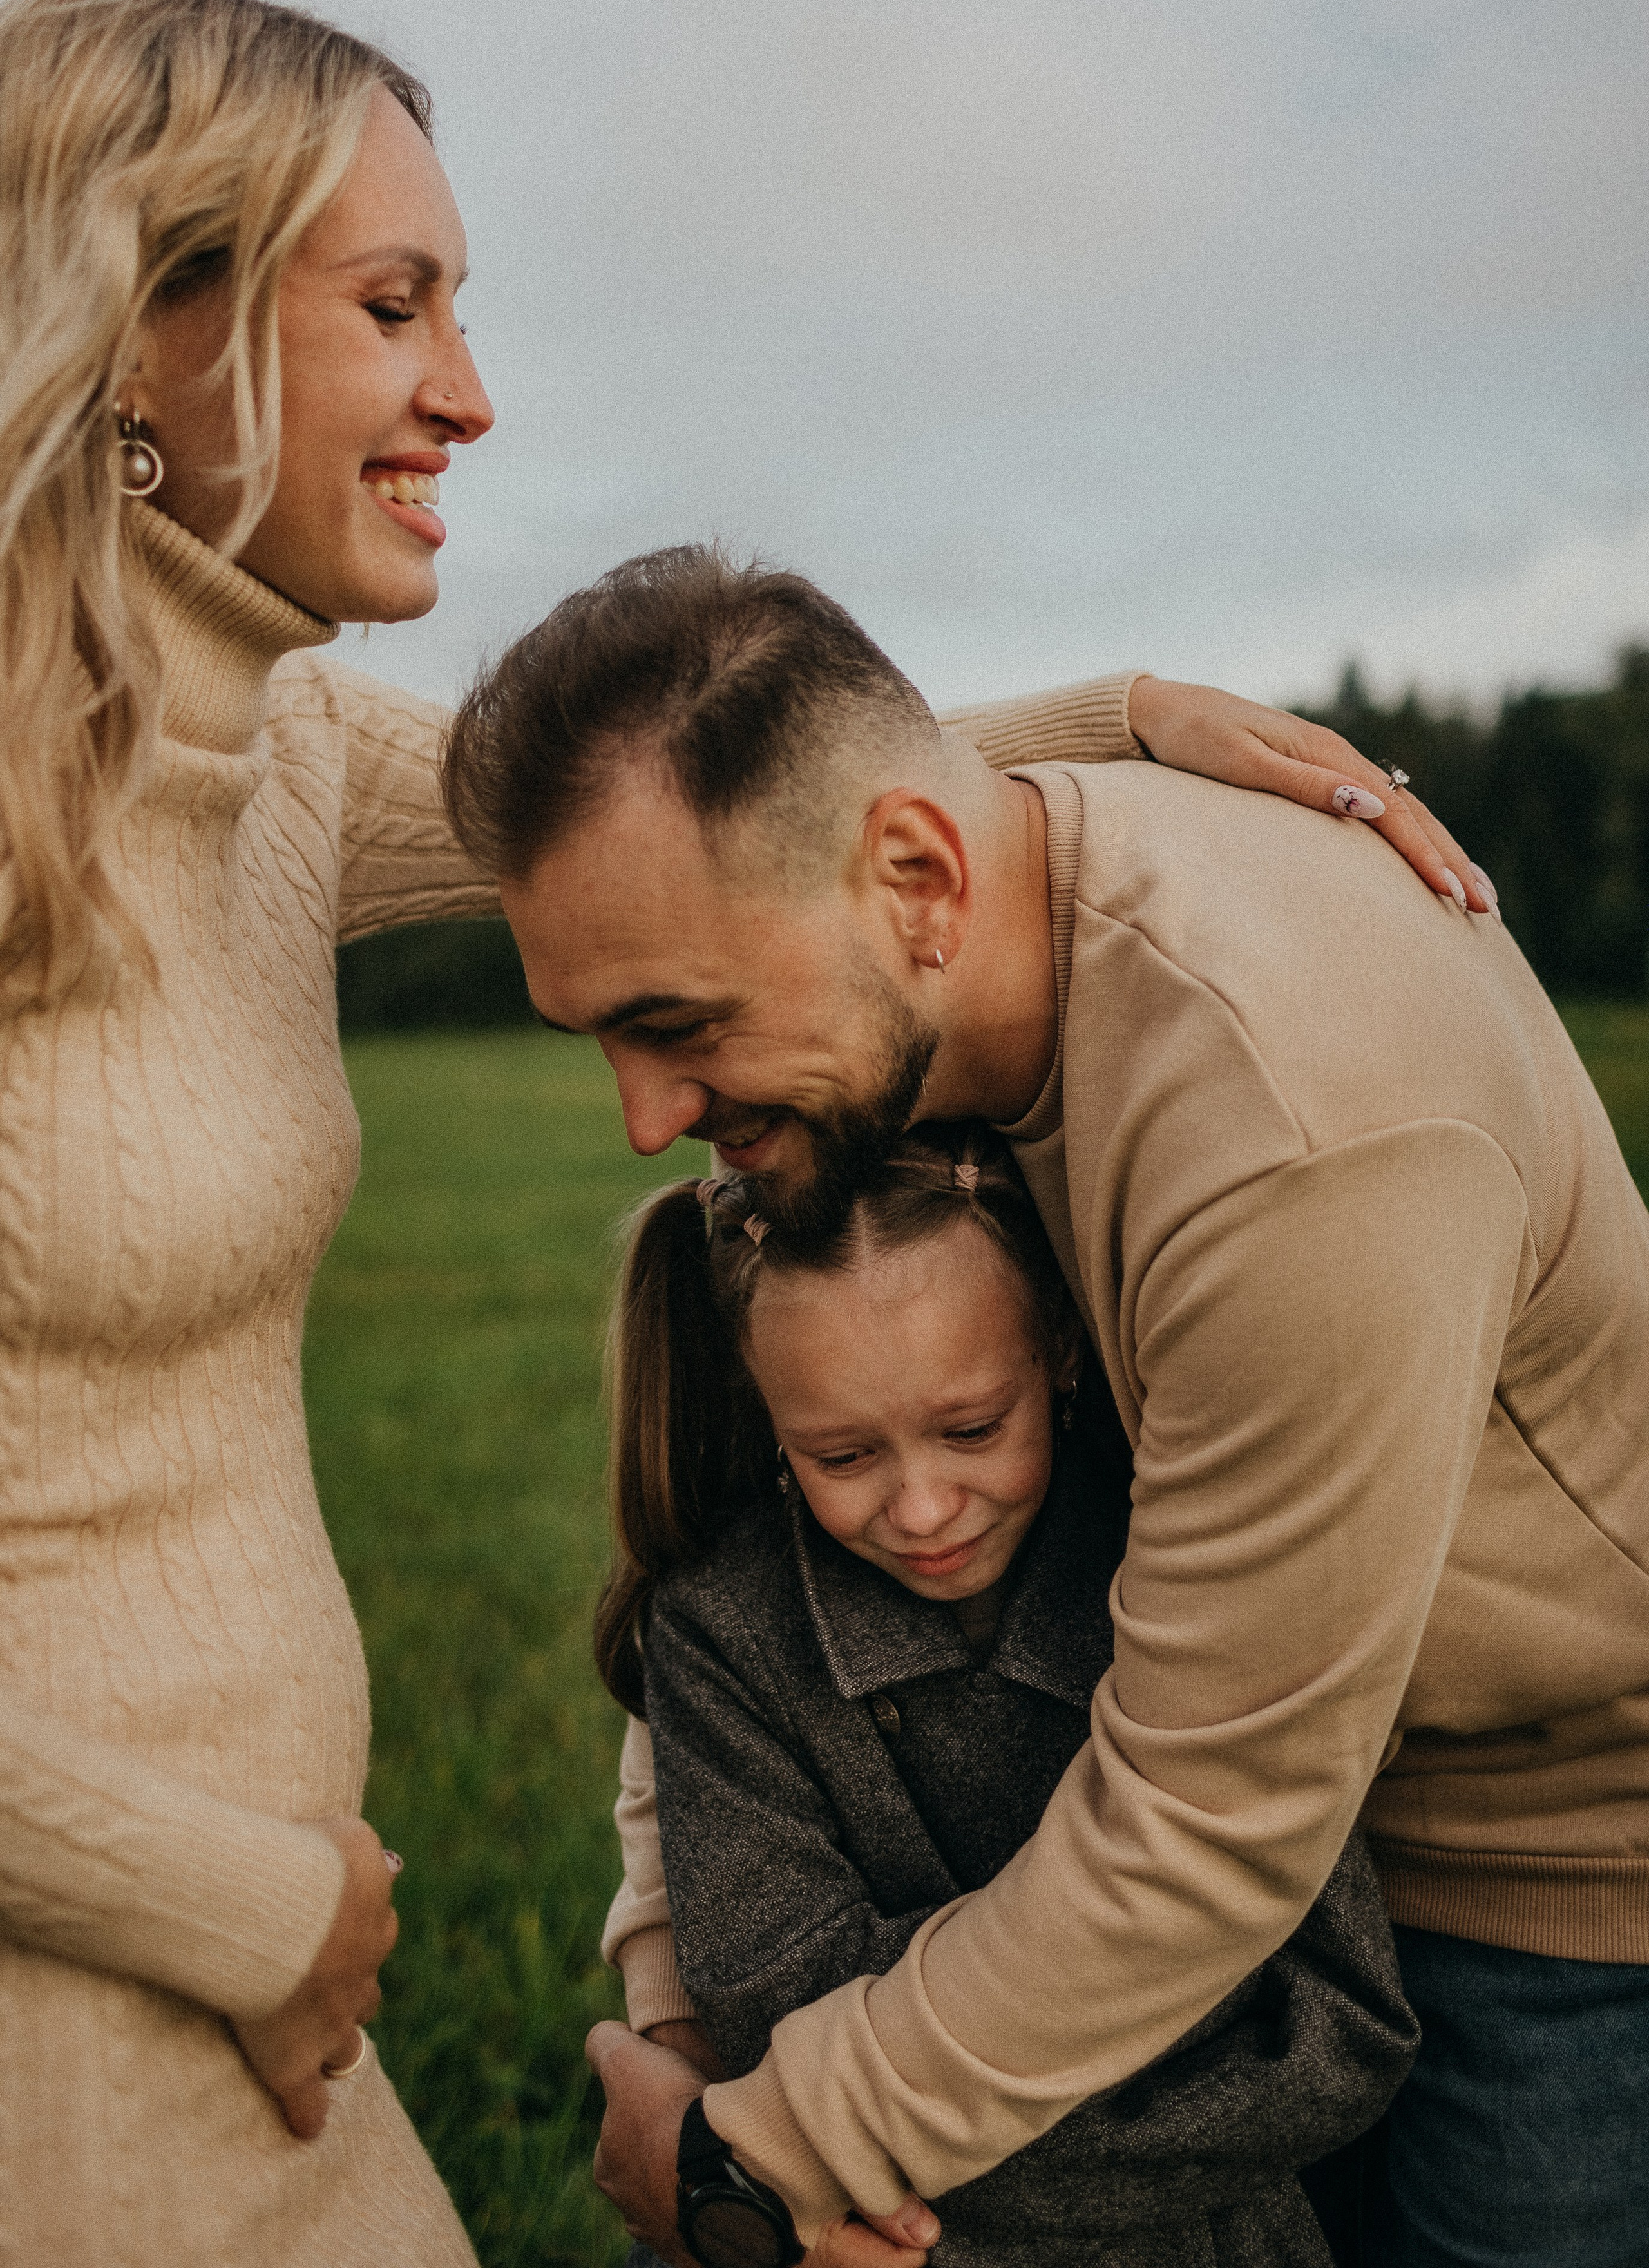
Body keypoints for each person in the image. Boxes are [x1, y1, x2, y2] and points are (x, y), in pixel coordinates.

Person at [0, 0, 1447, 2265]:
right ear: (133, 316)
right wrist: (215, 1891)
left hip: (270, 1979)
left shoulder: (269, 758)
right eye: (397, 306)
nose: (468, 392)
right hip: (100, 1981)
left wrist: (1139, 712)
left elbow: (736, 808)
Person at [441, 543, 1649, 2268]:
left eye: (676, 1021)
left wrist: (751, 2157)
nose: (645, 1119)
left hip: (1558, 1896)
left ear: (918, 876)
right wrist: (1120, 705)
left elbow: (1201, 1837)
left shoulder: (1293, 1131)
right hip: (1322, 1847)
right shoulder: (944, 953)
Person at [601, 1125, 1418, 2267]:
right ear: (768, 1419)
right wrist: (1167, 2021)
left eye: (973, 1429)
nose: (926, 1508)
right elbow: (763, 2002)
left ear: (1063, 1353)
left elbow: (1331, 2035)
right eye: (843, 1456)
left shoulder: (1188, 1565)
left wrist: (818, 2158)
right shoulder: (722, 1626)